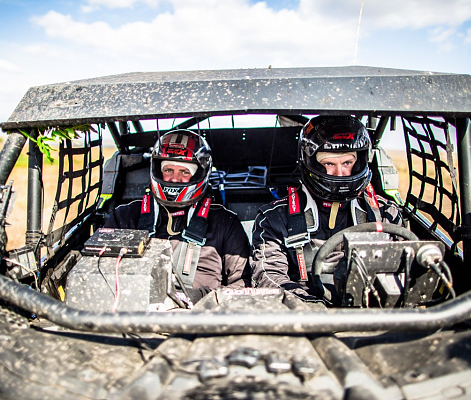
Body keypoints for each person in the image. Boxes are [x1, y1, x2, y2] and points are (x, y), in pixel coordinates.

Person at [251, 116, 404, 305]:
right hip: (303, 317)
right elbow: (269, 277)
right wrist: (311, 308)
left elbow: (404, 273)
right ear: (310, 162)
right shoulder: (274, 218)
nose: (339, 173)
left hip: (372, 314)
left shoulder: (386, 214)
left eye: (347, 163)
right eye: (329, 164)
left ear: (360, 162)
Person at [104, 129, 251, 304]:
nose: (174, 179)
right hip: (134, 314)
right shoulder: (125, 217)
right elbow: (100, 274)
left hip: (201, 321)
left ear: (199, 173)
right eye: (168, 170)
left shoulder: (225, 223)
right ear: (157, 170)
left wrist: (200, 299)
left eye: (184, 172)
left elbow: (242, 286)